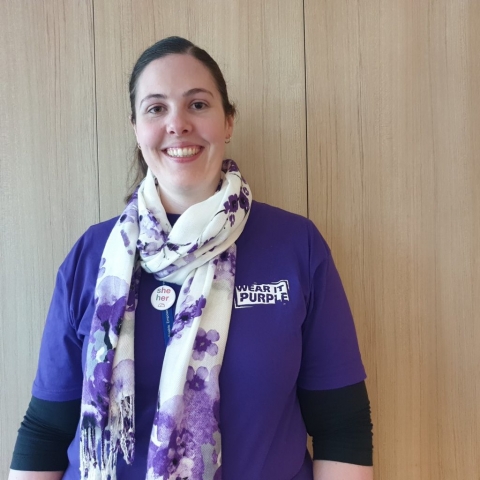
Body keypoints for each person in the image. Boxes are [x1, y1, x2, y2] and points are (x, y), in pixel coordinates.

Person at [9, 37, 373, 480]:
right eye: (156, 108)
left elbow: (342, 427)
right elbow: (46, 430)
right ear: (136, 127)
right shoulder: (92, 256)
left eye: (197, 104)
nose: (177, 124)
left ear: (228, 121)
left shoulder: (296, 245)